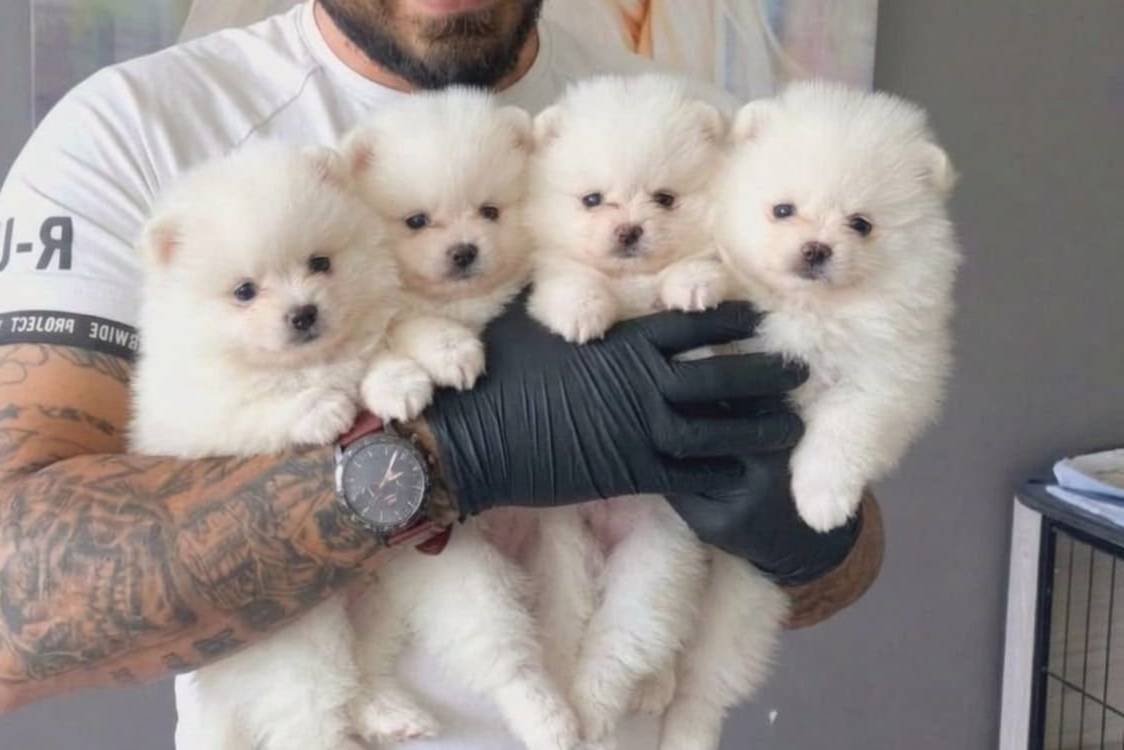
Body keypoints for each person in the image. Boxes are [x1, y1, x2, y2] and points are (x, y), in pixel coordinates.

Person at [0, 1, 884, 747]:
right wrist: (435, 456)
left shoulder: (672, 122)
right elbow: (17, 607)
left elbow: (840, 553)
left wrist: (804, 536)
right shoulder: (135, 127)